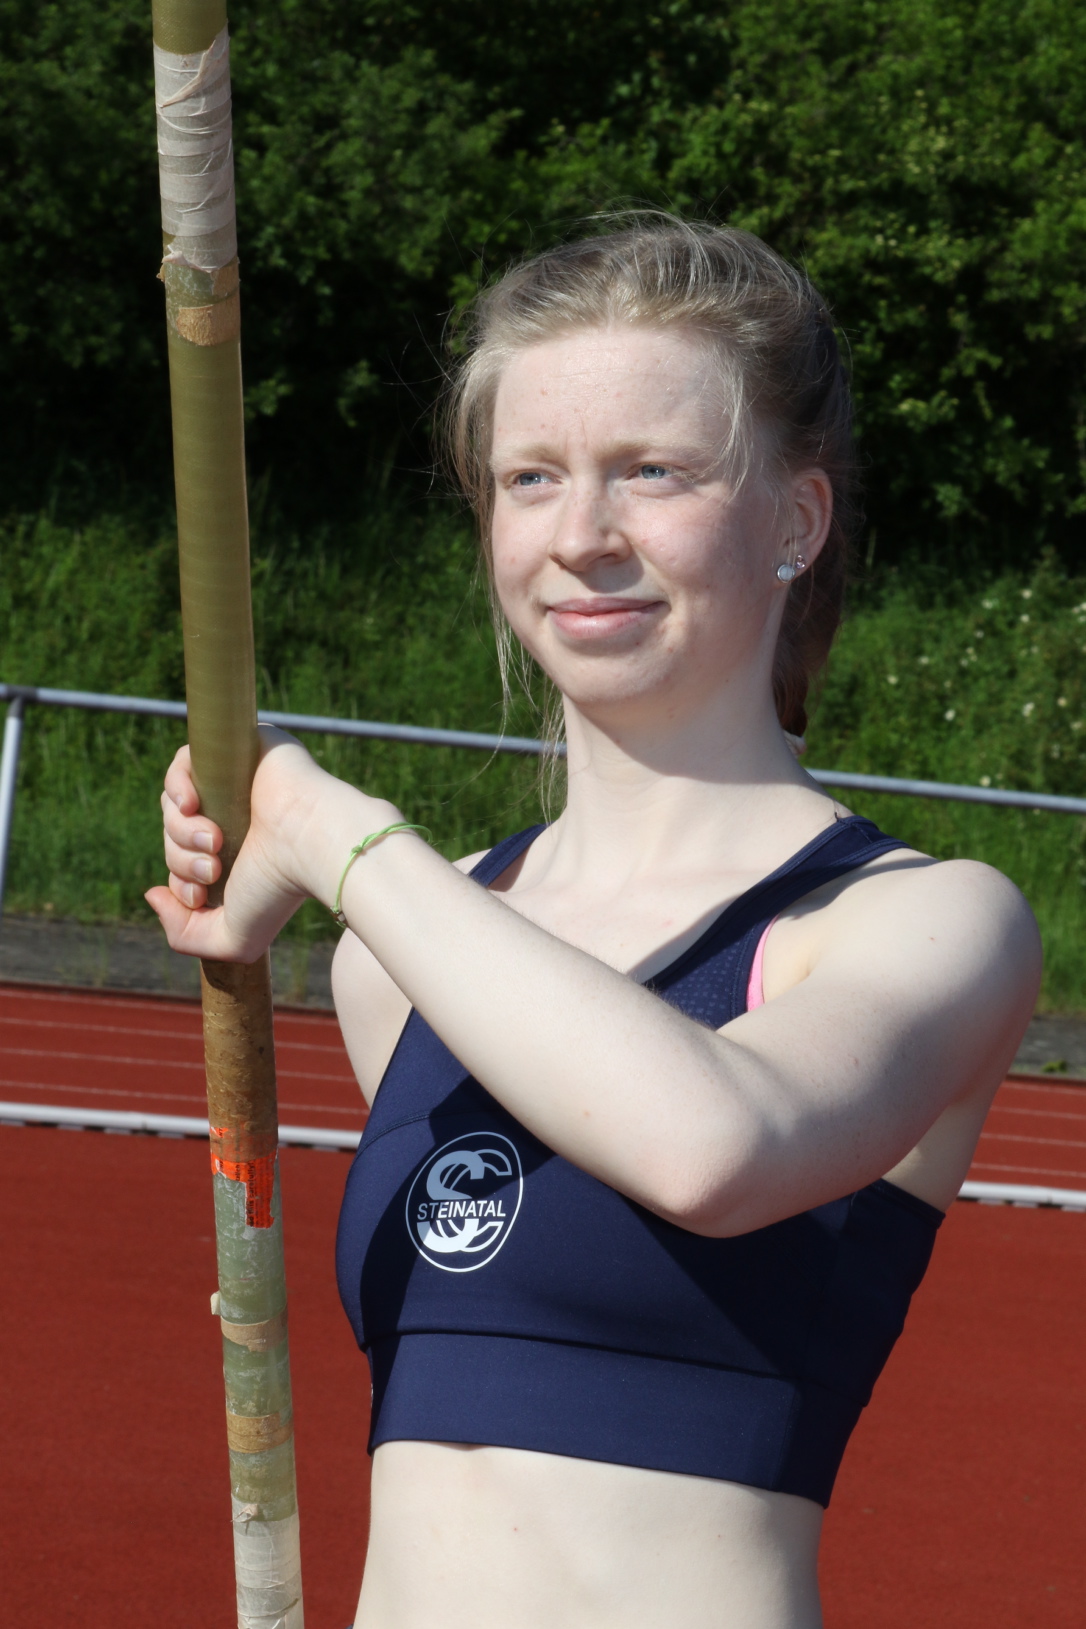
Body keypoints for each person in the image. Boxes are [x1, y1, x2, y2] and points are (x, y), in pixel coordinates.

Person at [148, 219, 1041, 1629]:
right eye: (531, 478)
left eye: (653, 471)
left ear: (797, 521)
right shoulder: (399, 959)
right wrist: (332, 872)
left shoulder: (925, 921)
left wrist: (335, 836)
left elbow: (713, 1147)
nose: (581, 536)